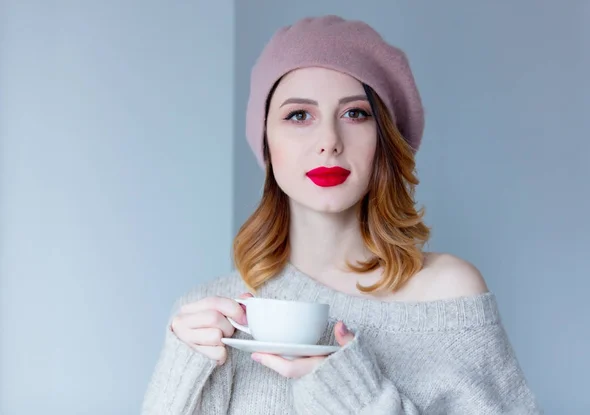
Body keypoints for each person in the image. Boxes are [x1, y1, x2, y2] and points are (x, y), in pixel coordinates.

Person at [142, 15, 542, 414]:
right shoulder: (209, 315)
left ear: (383, 140)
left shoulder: (449, 293)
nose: (329, 142)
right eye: (299, 115)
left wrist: (354, 392)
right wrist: (182, 370)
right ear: (267, 141)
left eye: (355, 114)